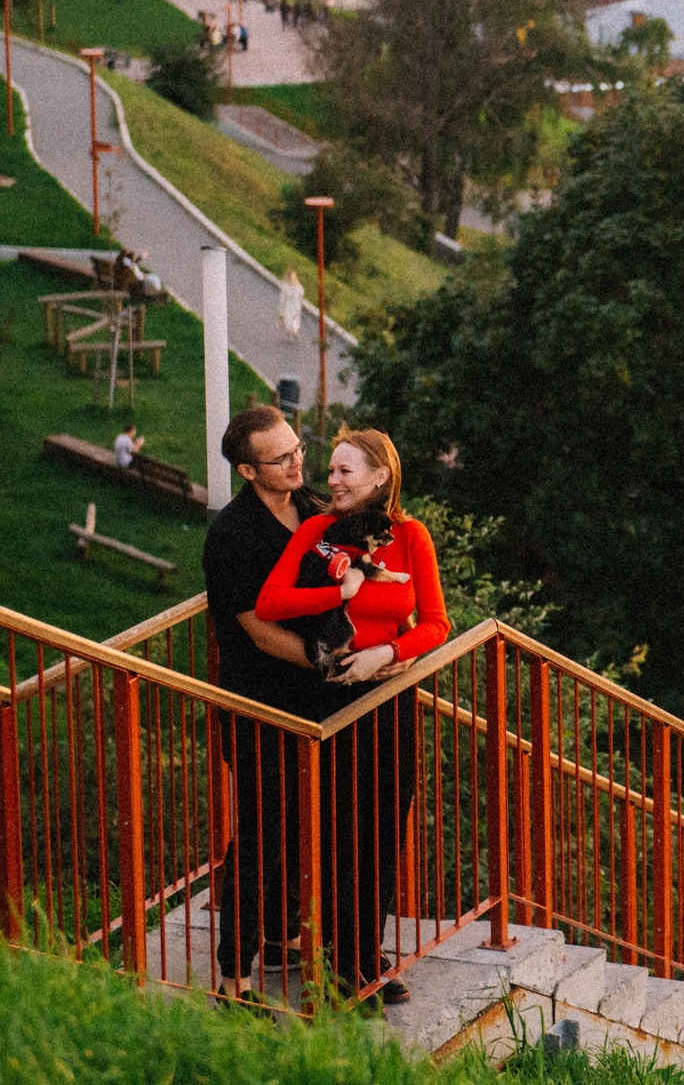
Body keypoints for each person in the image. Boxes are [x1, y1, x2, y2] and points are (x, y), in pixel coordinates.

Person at [253, 426, 446, 1008]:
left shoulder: (411, 537)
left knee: (382, 832)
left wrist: (389, 653)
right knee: (339, 831)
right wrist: (338, 596)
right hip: (330, 699)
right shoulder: (316, 533)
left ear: (380, 477)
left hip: (387, 701)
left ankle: (364, 958)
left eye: (345, 472)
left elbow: (436, 624)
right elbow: (269, 603)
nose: (330, 482)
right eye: (330, 471)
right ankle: (339, 967)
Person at [201, 404, 343, 1009]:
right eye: (280, 459)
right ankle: (235, 976)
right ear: (246, 470)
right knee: (261, 834)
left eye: (297, 451)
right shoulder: (231, 535)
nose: (296, 463)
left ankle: (286, 935)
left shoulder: (312, 508)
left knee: (301, 822)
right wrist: (324, 659)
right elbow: (257, 631)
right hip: (259, 701)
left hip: (315, 698)